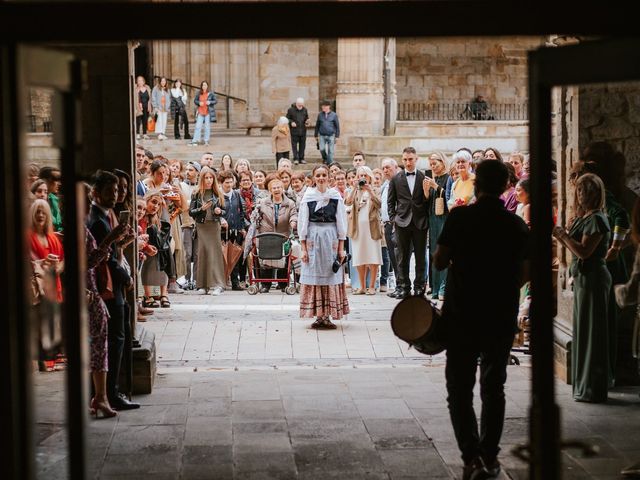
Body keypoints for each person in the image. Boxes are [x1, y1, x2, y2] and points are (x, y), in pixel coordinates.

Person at [433, 160, 529, 479]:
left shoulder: (460, 217)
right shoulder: (515, 225)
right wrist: (502, 287)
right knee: (493, 384)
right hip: (499, 313)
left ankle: (470, 455)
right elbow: (528, 271)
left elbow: (440, 259)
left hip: (462, 313)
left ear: (476, 185)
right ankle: (490, 454)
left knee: (459, 388)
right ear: (505, 186)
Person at [553, 173, 611, 403]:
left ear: (597, 193)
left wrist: (564, 236)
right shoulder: (583, 217)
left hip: (594, 278)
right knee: (584, 332)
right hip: (583, 278)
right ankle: (584, 384)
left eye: (587, 191)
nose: (582, 195)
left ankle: (593, 387)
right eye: (579, 190)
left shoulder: (597, 219)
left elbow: (584, 251)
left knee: (593, 334)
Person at [87, 171, 139, 411]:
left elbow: (113, 251)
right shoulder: (97, 219)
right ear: (96, 193)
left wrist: (123, 241)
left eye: (117, 191)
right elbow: (103, 259)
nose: (115, 195)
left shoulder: (108, 215)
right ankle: (110, 392)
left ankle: (111, 392)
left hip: (113, 282)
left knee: (119, 337)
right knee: (114, 339)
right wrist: (125, 276)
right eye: (110, 191)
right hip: (106, 285)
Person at [298, 165, 349, 329]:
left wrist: (341, 248)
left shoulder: (335, 196)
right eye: (318, 175)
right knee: (314, 273)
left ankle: (327, 315)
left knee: (330, 274)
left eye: (324, 175)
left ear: (329, 178)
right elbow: (303, 224)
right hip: (313, 237)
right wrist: (304, 248)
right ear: (314, 178)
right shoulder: (308, 197)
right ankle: (318, 315)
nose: (321, 178)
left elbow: (341, 223)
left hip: (330, 238)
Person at [387, 147, 429, 299]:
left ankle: (419, 287)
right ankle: (404, 287)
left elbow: (427, 201)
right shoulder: (396, 178)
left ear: (416, 159)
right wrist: (394, 219)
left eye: (410, 159)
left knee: (420, 257)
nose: (408, 162)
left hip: (420, 223)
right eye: (405, 159)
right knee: (402, 257)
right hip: (401, 222)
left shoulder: (424, 177)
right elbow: (390, 202)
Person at [251, 176, 298, 292]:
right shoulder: (262, 202)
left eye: (279, 187)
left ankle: (283, 285)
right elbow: (255, 216)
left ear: (282, 189)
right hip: (266, 234)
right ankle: (265, 285)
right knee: (266, 260)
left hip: (283, 234)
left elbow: (293, 214)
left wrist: (293, 221)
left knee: (283, 259)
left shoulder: (290, 203)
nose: (276, 190)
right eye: (274, 188)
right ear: (270, 190)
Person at [189, 166, 226, 295]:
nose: (209, 180)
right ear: (202, 179)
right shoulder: (196, 193)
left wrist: (219, 211)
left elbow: (224, 210)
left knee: (215, 254)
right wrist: (202, 209)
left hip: (214, 226)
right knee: (202, 254)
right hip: (202, 226)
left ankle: (218, 284)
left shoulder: (218, 193)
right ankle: (202, 285)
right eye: (206, 177)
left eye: (211, 177)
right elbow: (191, 212)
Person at [346, 166, 382, 295]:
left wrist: (370, 192)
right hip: (358, 229)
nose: (362, 178)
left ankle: (371, 286)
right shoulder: (355, 190)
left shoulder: (376, 189)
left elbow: (379, 204)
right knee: (359, 257)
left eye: (365, 176)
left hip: (372, 228)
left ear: (369, 177)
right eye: (360, 176)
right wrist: (354, 188)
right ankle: (362, 286)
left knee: (373, 257)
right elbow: (347, 201)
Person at [422, 152, 450, 301]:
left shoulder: (448, 178)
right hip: (432, 217)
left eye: (435, 163)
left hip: (443, 217)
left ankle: (443, 286)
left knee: (442, 250)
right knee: (433, 251)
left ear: (442, 162)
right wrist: (427, 191)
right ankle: (434, 287)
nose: (433, 167)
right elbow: (427, 202)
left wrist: (436, 186)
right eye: (431, 164)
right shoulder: (433, 178)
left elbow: (448, 197)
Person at [219, 170, 249, 290]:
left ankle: (235, 282)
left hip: (236, 229)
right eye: (227, 182)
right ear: (221, 183)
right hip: (223, 231)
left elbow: (241, 212)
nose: (229, 185)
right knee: (223, 256)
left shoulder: (236, 194)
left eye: (231, 182)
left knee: (235, 256)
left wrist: (242, 227)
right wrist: (221, 219)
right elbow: (215, 212)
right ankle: (222, 281)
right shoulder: (218, 195)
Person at [180, 161, 201, 289]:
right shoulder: (181, 185)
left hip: (199, 224)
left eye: (191, 170)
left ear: (197, 172)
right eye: (187, 169)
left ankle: (196, 279)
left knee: (198, 254)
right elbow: (182, 206)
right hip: (186, 223)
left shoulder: (200, 187)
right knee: (187, 254)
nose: (188, 172)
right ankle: (187, 279)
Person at [380, 158, 399, 297]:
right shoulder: (385, 185)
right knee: (392, 256)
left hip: (397, 224)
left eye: (388, 167)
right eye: (383, 168)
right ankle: (399, 285)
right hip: (387, 224)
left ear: (395, 167)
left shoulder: (399, 181)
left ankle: (403, 284)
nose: (385, 170)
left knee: (399, 256)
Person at [189, 81, 217, 147]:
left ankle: (206, 141)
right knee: (198, 126)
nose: (204, 86)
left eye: (205, 85)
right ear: (201, 86)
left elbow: (215, 101)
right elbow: (195, 101)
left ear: (207, 86)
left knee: (207, 127)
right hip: (200, 112)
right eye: (203, 85)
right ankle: (195, 140)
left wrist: (210, 102)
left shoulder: (211, 93)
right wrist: (199, 103)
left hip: (208, 112)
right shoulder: (199, 93)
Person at [314, 100, 340, 165]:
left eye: (324, 106)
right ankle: (325, 158)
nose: (323, 108)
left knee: (331, 151)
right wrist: (316, 135)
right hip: (322, 135)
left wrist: (337, 136)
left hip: (331, 135)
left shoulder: (334, 115)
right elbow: (317, 125)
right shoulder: (320, 115)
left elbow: (337, 126)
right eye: (322, 106)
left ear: (328, 106)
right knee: (321, 149)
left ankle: (330, 163)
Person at [39, 166, 63, 232]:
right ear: (44, 180)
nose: (59, 183)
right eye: (55, 180)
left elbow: (59, 224)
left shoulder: (54, 199)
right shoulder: (36, 201)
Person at [286, 97, 309, 165]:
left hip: (303, 130)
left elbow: (306, 118)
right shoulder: (291, 110)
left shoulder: (305, 110)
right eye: (299, 105)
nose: (300, 106)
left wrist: (307, 121)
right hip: (294, 131)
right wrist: (291, 122)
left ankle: (301, 158)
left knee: (302, 145)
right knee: (294, 145)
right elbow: (287, 119)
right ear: (296, 103)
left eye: (301, 105)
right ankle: (295, 158)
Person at [134, 75, 152, 140]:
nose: (140, 82)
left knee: (145, 121)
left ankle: (144, 134)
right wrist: (135, 108)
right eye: (138, 80)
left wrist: (150, 107)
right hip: (138, 107)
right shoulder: (135, 89)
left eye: (141, 80)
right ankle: (137, 134)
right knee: (138, 121)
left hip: (146, 107)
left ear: (144, 81)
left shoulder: (148, 88)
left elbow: (150, 98)